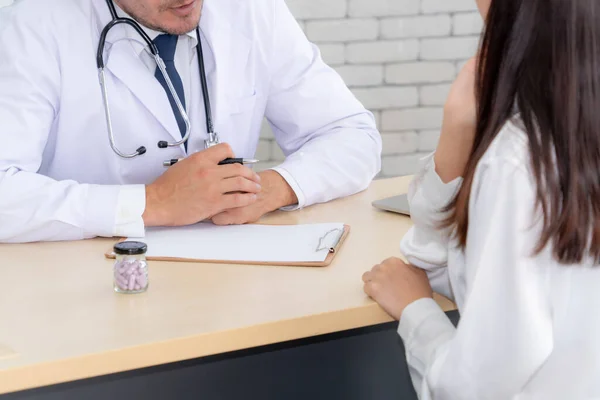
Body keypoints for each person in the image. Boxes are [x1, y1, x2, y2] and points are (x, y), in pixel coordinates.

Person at [363, 0, 600, 398]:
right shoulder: (563, 136)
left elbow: (480, 382)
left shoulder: (519, 160)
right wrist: (456, 133)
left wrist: (417, 313)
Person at [0, 0, 382, 243]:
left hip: (221, 281)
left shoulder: (251, 10)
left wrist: (276, 188)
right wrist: (151, 203)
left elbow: (351, 134)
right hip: (75, 285)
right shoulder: (31, 26)